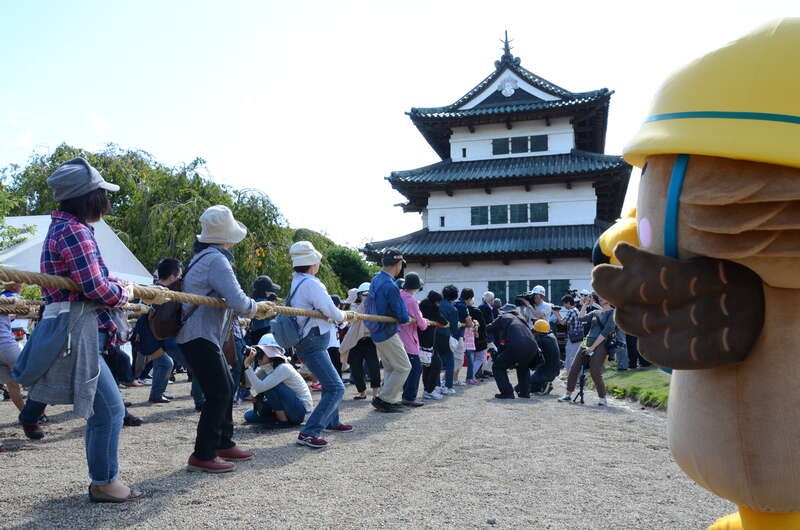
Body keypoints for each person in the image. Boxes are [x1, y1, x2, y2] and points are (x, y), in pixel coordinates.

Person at [13, 157, 141, 501]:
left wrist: (112, 285)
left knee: (105, 410)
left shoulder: (64, 227)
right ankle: (104, 482)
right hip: (80, 332)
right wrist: (124, 293)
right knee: (111, 410)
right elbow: (96, 288)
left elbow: (90, 280)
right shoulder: (75, 231)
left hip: (76, 329)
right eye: (102, 193)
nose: (107, 200)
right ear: (89, 197)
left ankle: (103, 479)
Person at [177, 205, 258, 472]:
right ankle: (203, 452)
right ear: (227, 236)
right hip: (200, 335)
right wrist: (257, 307)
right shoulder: (216, 260)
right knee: (220, 392)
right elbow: (238, 301)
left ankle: (223, 441)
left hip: (202, 335)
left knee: (226, 387)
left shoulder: (202, 257)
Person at [288, 241, 353, 448]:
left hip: (310, 341)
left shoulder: (297, 281)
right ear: (313, 263)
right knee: (336, 387)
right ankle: (309, 432)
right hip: (313, 342)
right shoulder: (311, 283)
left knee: (329, 383)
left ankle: (331, 421)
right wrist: (345, 315)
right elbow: (331, 311)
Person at [364, 248, 412, 412]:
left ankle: (386, 398)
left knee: (392, 367)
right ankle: (385, 399)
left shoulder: (376, 279)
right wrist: (405, 318)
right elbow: (402, 314)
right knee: (404, 367)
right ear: (398, 264)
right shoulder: (390, 285)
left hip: (376, 329)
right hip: (387, 330)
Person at [242, 334, 312, 427]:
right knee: (249, 416)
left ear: (272, 354)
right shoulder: (265, 368)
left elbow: (260, 387)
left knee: (270, 386)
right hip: (287, 407)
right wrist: (248, 365)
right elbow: (248, 385)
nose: (258, 355)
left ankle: (283, 422)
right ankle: (279, 418)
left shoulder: (284, 368)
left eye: (261, 352)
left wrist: (247, 366)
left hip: (300, 412)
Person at [558, 295, 616, 406]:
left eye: (603, 296)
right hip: (586, 342)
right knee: (574, 367)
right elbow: (581, 318)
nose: (600, 298)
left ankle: (602, 397)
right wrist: (584, 304)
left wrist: (592, 348)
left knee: (595, 370)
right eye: (599, 297)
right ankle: (568, 394)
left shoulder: (613, 313)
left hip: (600, 344)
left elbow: (605, 332)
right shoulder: (596, 312)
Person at [486, 302, 541, 399]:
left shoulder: (504, 317)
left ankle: (507, 392)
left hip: (517, 345)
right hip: (533, 346)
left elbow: (490, 328)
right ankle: (525, 393)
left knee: (497, 366)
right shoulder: (521, 320)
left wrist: (478, 327)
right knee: (523, 367)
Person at [340, 282, 381, 400]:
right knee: (356, 367)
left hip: (370, 341)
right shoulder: (354, 306)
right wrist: (355, 301)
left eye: (369, 294)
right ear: (359, 295)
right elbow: (348, 316)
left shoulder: (375, 306)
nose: (366, 296)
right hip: (356, 341)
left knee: (374, 366)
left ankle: (375, 393)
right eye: (364, 294)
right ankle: (362, 392)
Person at [398, 272, 429, 407]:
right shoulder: (411, 300)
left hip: (397, 336)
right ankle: (409, 397)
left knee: (405, 368)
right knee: (415, 368)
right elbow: (421, 324)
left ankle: (406, 395)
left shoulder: (399, 295)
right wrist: (425, 321)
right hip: (409, 338)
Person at [0, 283, 25, 413]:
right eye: (21, 283)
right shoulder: (9, 297)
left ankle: (25, 414)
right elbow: (25, 308)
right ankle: (37, 415)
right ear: (14, 285)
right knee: (30, 378)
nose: (23, 285)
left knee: (12, 385)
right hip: (7, 346)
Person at [419, 290, 448, 400]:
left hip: (421, 340)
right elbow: (443, 321)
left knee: (427, 366)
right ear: (436, 301)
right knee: (436, 365)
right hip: (428, 342)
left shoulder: (422, 305)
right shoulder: (432, 307)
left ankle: (427, 389)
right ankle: (429, 390)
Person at [437, 284, 461, 395]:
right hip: (445, 336)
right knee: (450, 362)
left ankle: (436, 386)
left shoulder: (437, 304)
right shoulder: (453, 309)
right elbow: (454, 328)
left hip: (433, 335)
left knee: (435, 362)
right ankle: (448, 386)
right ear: (454, 296)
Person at [245, 275, 281, 345]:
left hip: (255, 333)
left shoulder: (253, 300)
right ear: (264, 291)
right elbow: (274, 315)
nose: (271, 292)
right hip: (264, 332)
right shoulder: (263, 303)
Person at [529, 320, 560, 395]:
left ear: (538, 332)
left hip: (546, 372)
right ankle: (544, 384)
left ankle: (544, 384)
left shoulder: (541, 340)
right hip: (554, 370)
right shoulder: (551, 337)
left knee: (520, 388)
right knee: (532, 387)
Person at [555, 294, 583, 375]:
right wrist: (558, 313)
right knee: (573, 357)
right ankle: (576, 376)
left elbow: (563, 323)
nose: (564, 306)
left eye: (564, 303)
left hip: (574, 338)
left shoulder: (571, 311)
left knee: (571, 358)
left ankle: (574, 377)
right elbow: (565, 321)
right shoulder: (575, 310)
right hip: (577, 337)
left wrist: (556, 313)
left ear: (568, 303)